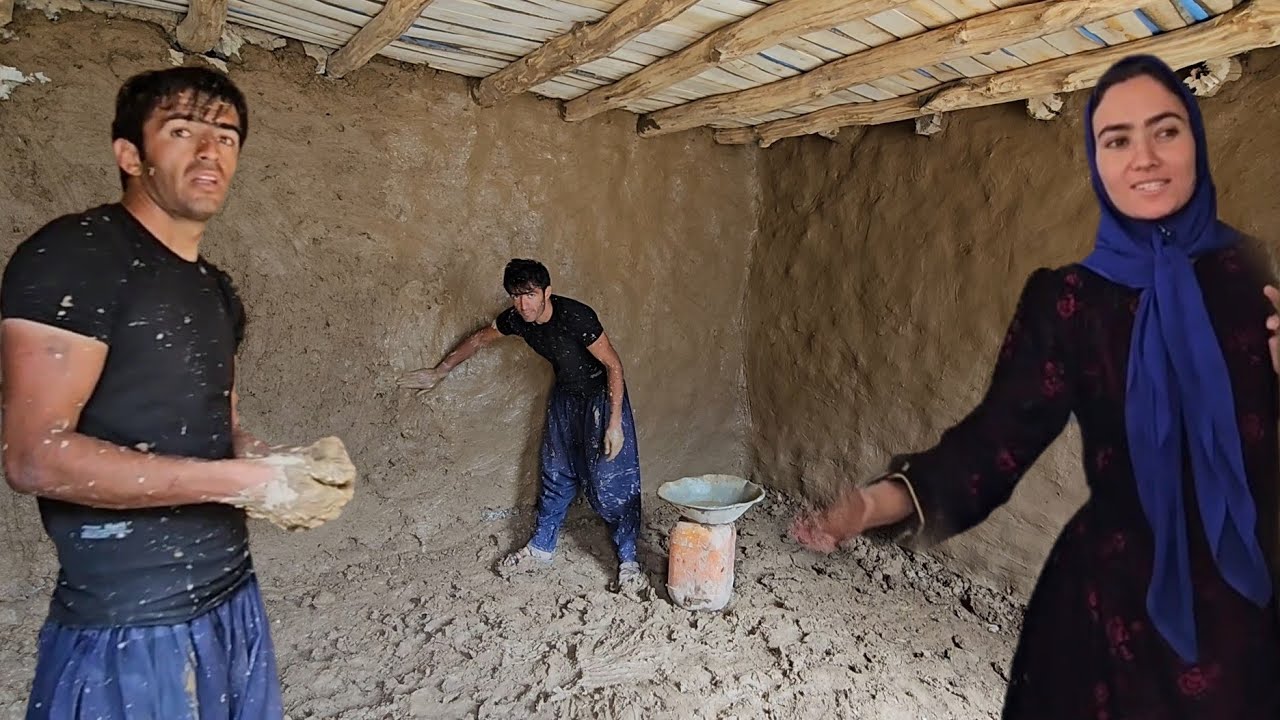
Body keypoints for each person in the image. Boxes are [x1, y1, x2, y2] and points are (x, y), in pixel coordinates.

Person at [791, 54, 1280, 717]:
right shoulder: (1071, 301)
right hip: (1105, 621)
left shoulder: (1255, 280)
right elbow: (994, 444)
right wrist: (874, 505)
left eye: (1164, 131)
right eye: (1117, 141)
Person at [2, 66, 355, 720]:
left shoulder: (214, 289)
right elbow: (34, 456)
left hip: (231, 598)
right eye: (182, 130)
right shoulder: (75, 257)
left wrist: (274, 465)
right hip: (126, 622)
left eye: (225, 136)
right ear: (130, 155)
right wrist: (238, 482)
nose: (209, 151)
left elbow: (220, 423)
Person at [399, 259, 646, 593]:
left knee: (610, 480)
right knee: (556, 471)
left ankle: (629, 561)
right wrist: (440, 371)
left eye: (530, 294)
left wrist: (614, 422)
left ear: (547, 292)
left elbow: (613, 365)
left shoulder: (576, 317)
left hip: (600, 396)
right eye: (516, 295)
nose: (523, 303)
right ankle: (541, 548)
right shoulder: (518, 319)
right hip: (566, 396)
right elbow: (480, 339)